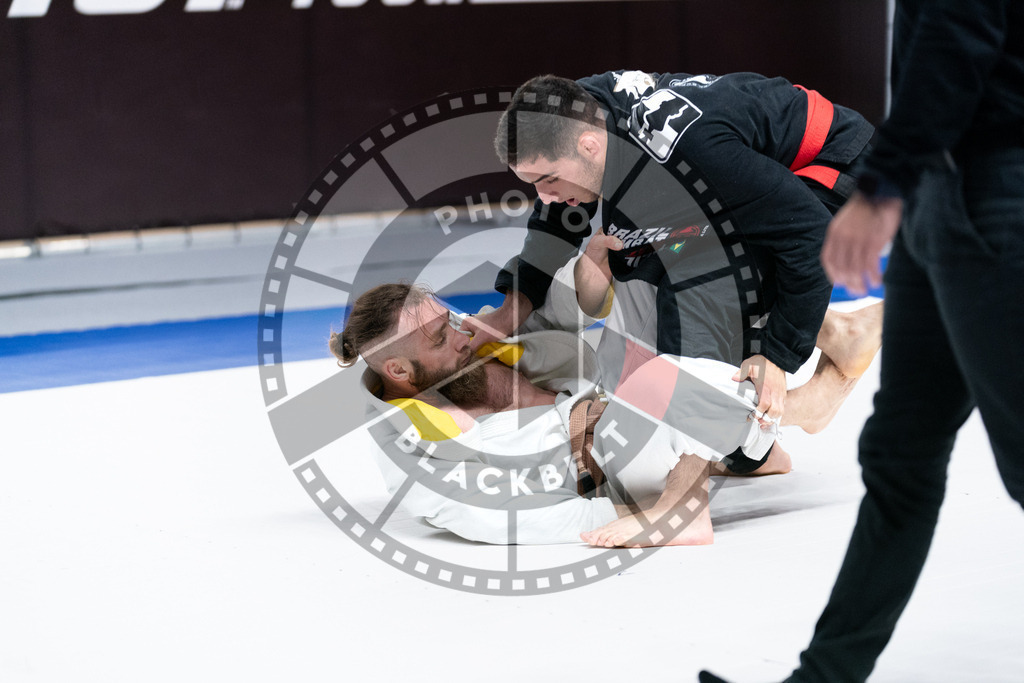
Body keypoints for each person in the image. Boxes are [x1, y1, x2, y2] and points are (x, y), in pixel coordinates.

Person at [699, 2, 1024, 682]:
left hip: (992, 188)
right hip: (944, 191)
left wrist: (882, 186)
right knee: (900, 453)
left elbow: (958, 31)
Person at [331, 247, 882, 547]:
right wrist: (613, 513)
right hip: (605, 462)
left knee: (651, 272)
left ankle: (743, 445)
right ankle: (790, 417)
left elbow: (561, 311)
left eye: (447, 316)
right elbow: (474, 513)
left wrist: (598, 257)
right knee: (654, 381)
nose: (458, 329)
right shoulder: (410, 435)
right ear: (401, 370)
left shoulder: (478, 342)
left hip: (610, 410)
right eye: (439, 336)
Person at [462, 70, 875, 441]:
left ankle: (812, 394)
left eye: (548, 180)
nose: (544, 196)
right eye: (533, 183)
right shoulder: (579, 110)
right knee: (635, 257)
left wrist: (778, 355)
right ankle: (834, 329)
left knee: (702, 287)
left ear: (588, 146)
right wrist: (510, 310)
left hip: (835, 167)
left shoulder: (694, 153)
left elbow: (809, 236)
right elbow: (556, 220)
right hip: (753, 175)